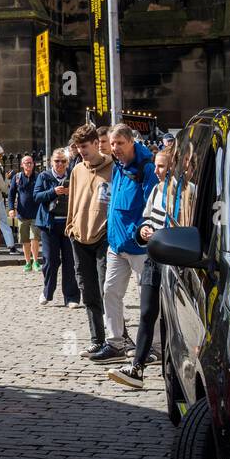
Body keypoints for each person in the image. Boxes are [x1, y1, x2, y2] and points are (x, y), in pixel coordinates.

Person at [91, 124, 158, 365]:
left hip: (139, 246)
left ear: (131, 142)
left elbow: (153, 205)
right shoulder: (117, 165)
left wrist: (142, 231)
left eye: (119, 143)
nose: (115, 148)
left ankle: (155, 346)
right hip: (117, 244)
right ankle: (115, 342)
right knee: (110, 292)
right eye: (113, 143)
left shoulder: (146, 167)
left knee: (147, 298)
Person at [106, 146, 172, 389]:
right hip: (153, 258)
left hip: (174, 261)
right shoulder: (156, 189)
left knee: (169, 318)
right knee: (146, 313)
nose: (156, 170)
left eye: (162, 166)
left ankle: (170, 369)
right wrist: (143, 231)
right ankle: (136, 369)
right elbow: (146, 219)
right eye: (156, 165)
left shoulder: (183, 193)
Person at [66, 121, 113, 357]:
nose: (82, 151)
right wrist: (71, 226)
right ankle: (97, 339)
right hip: (80, 236)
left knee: (108, 288)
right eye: (78, 147)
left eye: (85, 146)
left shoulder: (113, 168)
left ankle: (116, 339)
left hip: (104, 235)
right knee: (89, 291)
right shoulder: (77, 170)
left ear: (97, 143)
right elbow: (73, 200)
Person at [34, 149, 79, 307]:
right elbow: (37, 196)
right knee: (50, 260)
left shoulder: (73, 175)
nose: (60, 164)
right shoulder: (44, 176)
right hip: (49, 224)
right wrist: (53, 192)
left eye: (63, 161)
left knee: (70, 261)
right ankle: (47, 291)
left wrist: (70, 192)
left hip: (68, 224)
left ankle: (72, 297)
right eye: (57, 161)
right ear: (51, 162)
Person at [7, 154, 42, 271]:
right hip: (22, 214)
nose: (28, 164)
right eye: (26, 163)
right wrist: (11, 208)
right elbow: (11, 194)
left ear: (33, 164)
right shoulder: (17, 177)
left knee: (34, 238)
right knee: (25, 240)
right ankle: (27, 262)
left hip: (36, 213)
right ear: (22, 165)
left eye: (30, 162)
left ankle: (36, 261)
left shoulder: (38, 177)